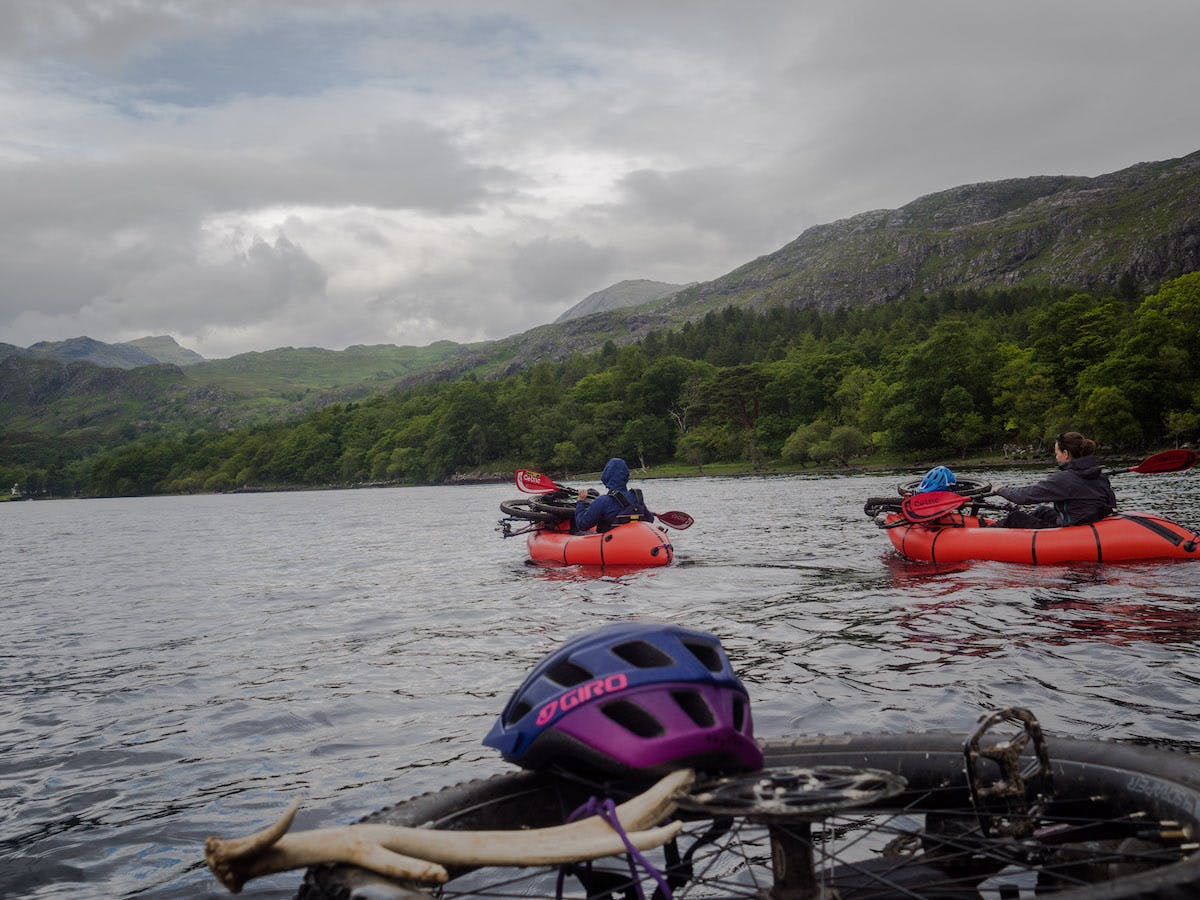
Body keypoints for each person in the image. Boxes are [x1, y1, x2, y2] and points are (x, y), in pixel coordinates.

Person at [993, 431, 1116, 528]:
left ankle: (986, 534)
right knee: (1042, 511)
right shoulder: (1100, 475)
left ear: (1066, 454)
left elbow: (1024, 496)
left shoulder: (1064, 479)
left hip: (1072, 527)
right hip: (1088, 521)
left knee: (1015, 517)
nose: (1056, 457)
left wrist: (1001, 490)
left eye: (1057, 453)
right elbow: (1109, 504)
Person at [574, 457, 654, 532]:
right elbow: (650, 520)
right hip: (635, 542)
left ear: (606, 475)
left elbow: (582, 524)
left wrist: (580, 502)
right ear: (626, 476)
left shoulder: (602, 501)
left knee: (576, 532)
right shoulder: (636, 497)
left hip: (610, 545)